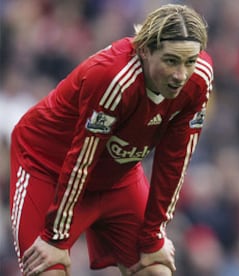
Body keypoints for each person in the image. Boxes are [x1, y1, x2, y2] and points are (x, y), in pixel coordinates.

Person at [9, 4, 213, 276]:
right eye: (171, 61)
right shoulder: (113, 78)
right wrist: (55, 237)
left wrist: (153, 235)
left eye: (189, 62)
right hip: (48, 168)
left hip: (117, 176)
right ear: (144, 50)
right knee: (47, 269)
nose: (181, 75)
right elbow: (82, 157)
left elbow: (176, 159)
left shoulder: (198, 79)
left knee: (155, 269)